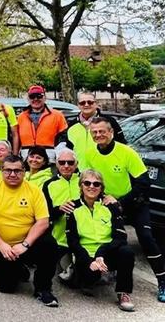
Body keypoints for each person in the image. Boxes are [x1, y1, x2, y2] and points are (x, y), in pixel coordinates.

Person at [83, 117, 165, 301]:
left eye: (102, 131)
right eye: (94, 132)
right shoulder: (90, 153)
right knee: (107, 238)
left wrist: (121, 201)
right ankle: (104, 273)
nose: (98, 135)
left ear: (111, 132)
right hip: (108, 203)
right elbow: (88, 180)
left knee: (146, 237)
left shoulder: (126, 152)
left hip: (134, 203)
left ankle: (162, 281)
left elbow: (144, 183)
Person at [0, 154, 59, 307]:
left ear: (24, 171)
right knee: (5, 288)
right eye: (8, 170)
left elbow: (43, 222)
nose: (13, 174)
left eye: (17, 171)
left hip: (26, 243)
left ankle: (43, 289)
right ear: (2, 171)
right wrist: (1, 244)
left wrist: (25, 244)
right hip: (2, 247)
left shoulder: (34, 191)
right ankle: (19, 267)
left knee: (49, 244)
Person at [66, 169, 136, 311]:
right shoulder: (73, 207)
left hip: (106, 252)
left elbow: (121, 237)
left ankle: (123, 293)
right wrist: (89, 261)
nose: (92, 186)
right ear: (81, 185)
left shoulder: (111, 207)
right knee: (89, 279)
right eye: (87, 183)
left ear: (101, 188)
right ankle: (81, 275)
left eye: (96, 184)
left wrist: (101, 253)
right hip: (86, 255)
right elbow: (72, 242)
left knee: (127, 252)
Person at [41, 148, 81, 284]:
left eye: (70, 162)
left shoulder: (86, 181)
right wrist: (59, 210)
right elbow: (45, 215)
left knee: (87, 274)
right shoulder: (49, 184)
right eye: (62, 162)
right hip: (60, 239)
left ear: (76, 164)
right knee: (70, 277)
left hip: (84, 238)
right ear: (57, 164)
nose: (66, 166)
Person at [57, 92, 125, 161]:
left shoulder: (109, 121)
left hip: (105, 166)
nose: (86, 105)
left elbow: (121, 144)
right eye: (82, 103)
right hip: (80, 167)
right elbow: (69, 148)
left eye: (90, 102)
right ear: (78, 105)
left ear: (96, 103)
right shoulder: (72, 124)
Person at [17, 85, 68, 159]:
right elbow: (16, 139)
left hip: (50, 156)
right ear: (28, 99)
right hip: (26, 157)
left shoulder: (57, 115)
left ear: (45, 97)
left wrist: (58, 153)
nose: (35, 99)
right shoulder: (21, 117)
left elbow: (64, 137)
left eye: (39, 96)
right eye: (32, 96)